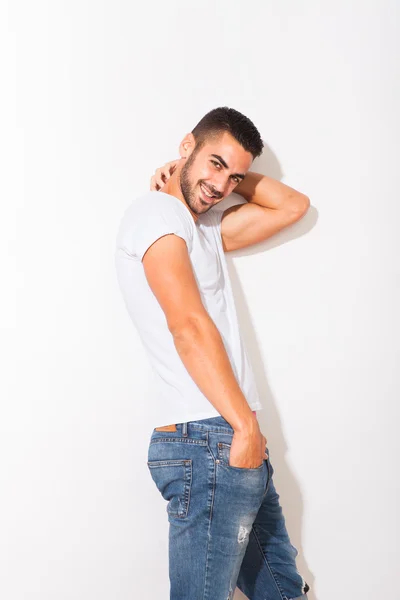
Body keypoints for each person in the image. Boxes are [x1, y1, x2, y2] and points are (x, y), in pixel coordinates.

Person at [115, 106, 310, 600]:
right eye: (215, 163)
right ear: (187, 146)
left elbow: (293, 206)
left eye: (236, 174)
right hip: (208, 436)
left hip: (232, 436)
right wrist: (243, 427)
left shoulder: (203, 232)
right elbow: (187, 324)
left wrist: (223, 178)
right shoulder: (155, 213)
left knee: (283, 592)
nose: (222, 185)